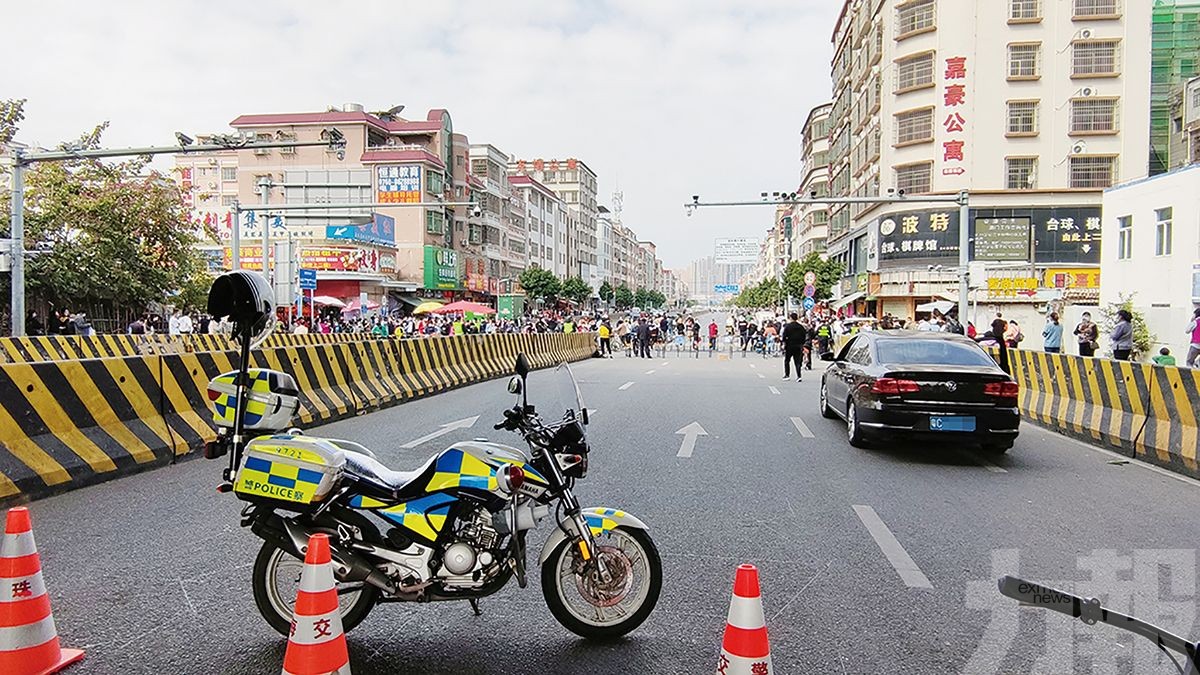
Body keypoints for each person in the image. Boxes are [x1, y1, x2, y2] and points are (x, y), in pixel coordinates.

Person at [781, 313, 808, 382]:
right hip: (798, 346)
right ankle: (799, 376)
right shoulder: (801, 327)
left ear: (791, 318)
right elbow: (804, 336)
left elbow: (784, 336)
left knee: (787, 360)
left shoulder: (788, 326)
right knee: (797, 361)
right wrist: (802, 343)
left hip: (789, 345)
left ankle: (787, 375)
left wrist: (784, 343)